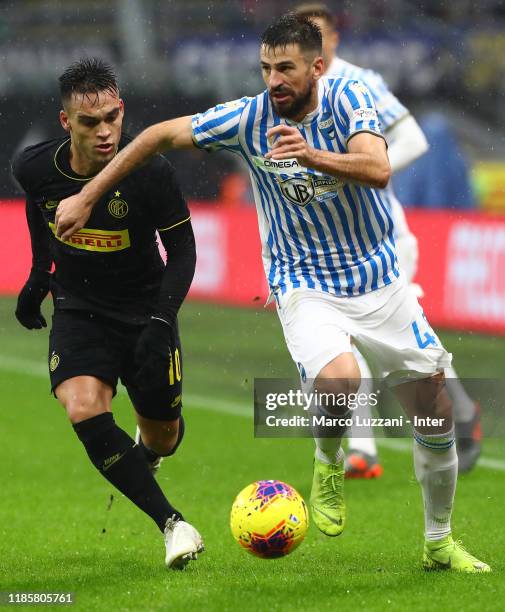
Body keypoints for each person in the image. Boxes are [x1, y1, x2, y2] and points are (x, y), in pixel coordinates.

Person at [54, 16, 490, 572]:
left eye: (285, 68)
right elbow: (158, 135)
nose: (273, 79)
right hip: (303, 283)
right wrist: (89, 196)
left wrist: (309, 155)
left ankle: (439, 542)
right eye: (265, 68)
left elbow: (378, 168)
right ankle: (328, 461)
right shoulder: (249, 118)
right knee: (340, 378)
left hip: (380, 281)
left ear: (316, 67)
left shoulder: (349, 98)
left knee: (434, 411)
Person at [12, 58, 203, 569]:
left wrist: (162, 323)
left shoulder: (151, 173)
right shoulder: (34, 167)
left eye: (112, 118)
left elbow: (182, 253)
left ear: (122, 111)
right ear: (65, 123)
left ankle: (152, 449)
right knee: (82, 406)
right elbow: (41, 212)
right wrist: (38, 276)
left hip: (145, 311)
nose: (105, 132)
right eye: (89, 122)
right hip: (80, 309)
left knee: (163, 434)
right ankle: (174, 525)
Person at [295, 3, 481, 477]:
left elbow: (416, 140)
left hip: (384, 234)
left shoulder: (363, 83)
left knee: (397, 343)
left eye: (315, 36)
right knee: (346, 341)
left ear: (333, 40)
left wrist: (366, 172)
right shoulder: (290, 94)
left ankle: (458, 412)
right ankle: (366, 449)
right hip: (333, 239)